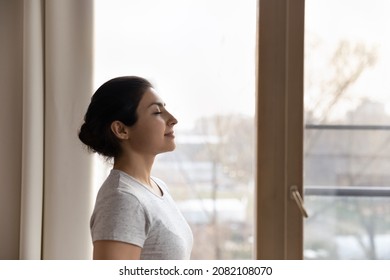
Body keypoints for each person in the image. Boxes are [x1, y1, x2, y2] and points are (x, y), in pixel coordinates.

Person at [78, 76, 193, 260]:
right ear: (121, 130)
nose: (173, 119)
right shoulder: (123, 200)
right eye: (156, 112)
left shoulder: (157, 188)